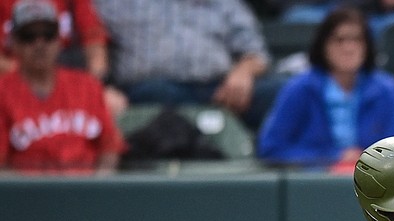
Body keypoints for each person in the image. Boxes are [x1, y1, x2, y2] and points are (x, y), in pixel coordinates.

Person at [93, 0, 285, 131]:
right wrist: (102, 89)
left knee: (281, 92)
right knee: (159, 93)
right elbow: (88, 47)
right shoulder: (115, 4)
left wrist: (243, 72)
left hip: (220, 91)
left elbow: (257, 54)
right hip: (152, 92)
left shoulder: (224, 3)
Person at [257, 6, 394, 169]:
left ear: (367, 46)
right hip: (313, 185)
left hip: (373, 183)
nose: (348, 48)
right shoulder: (299, 89)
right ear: (323, 45)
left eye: (357, 40)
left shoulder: (385, 89)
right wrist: (333, 157)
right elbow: (271, 149)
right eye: (339, 40)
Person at [0, 0, 124, 172]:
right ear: (14, 43)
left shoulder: (87, 86)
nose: (40, 44)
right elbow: (2, 166)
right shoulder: (3, 92)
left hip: (85, 191)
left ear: (59, 39)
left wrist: (99, 186)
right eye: (29, 36)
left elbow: (110, 149)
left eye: (48, 35)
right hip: (29, 194)